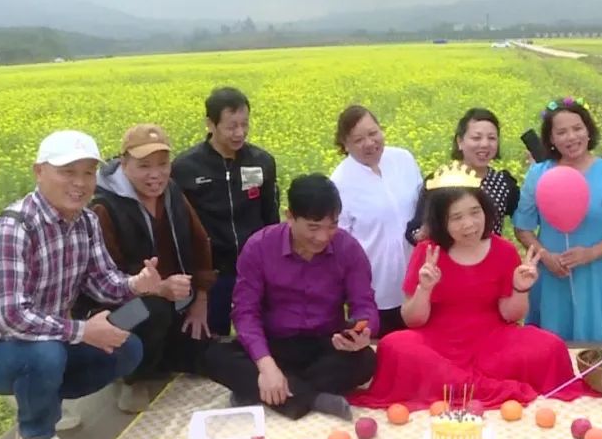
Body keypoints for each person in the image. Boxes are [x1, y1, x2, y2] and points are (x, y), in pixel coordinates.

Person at [0, 130, 167, 439]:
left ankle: (44, 396)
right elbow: (12, 316)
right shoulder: (13, 229)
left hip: (52, 339)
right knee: (45, 353)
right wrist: (83, 331)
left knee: (127, 348)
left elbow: (102, 281)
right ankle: (34, 434)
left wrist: (136, 284)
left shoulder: (86, 221)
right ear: (39, 172)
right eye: (67, 172)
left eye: (88, 172)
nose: (80, 183)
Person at [349, 165, 600, 411]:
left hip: (493, 342)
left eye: (474, 212)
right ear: (441, 222)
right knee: (393, 346)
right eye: (456, 217)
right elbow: (413, 321)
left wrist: (520, 288)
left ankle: (454, 384)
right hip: (437, 343)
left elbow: (510, 315)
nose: (469, 224)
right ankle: (473, 385)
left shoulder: (504, 250)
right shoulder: (428, 251)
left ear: (486, 211)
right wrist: (424, 289)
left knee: (551, 346)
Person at [201, 174, 379, 420]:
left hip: (325, 343)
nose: (323, 237)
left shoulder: (348, 248)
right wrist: (266, 365)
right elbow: (245, 313)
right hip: (274, 344)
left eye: (332, 226)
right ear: (290, 216)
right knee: (214, 356)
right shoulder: (259, 247)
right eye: (313, 227)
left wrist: (362, 332)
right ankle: (313, 398)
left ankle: (262, 391)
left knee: (366, 360)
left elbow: (364, 304)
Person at [83, 124, 217, 413]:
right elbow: (106, 282)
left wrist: (201, 299)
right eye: (144, 166)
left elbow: (200, 242)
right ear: (124, 163)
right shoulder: (104, 207)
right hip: (119, 310)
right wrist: (156, 288)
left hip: (175, 298)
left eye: (162, 164)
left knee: (201, 346)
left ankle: (157, 359)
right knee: (152, 310)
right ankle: (131, 377)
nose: (155, 174)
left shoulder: (172, 192)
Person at [512, 97, 602, 343]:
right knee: (550, 348)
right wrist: (546, 256)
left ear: (588, 130)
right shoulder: (538, 174)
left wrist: (591, 253)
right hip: (551, 277)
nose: (571, 137)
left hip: (596, 277)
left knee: (597, 350)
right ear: (551, 139)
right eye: (561, 132)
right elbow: (523, 227)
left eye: (577, 128)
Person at [172, 87, 279, 338]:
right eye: (231, 127)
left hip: (254, 270)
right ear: (210, 124)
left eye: (244, 124)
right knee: (209, 340)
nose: (239, 133)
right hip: (212, 275)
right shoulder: (186, 167)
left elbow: (271, 218)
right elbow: (181, 229)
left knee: (262, 337)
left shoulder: (261, 161)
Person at [330, 104, 422, 338]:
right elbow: (339, 245)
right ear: (345, 144)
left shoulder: (403, 159)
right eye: (358, 140)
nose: (369, 143)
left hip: (419, 283)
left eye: (373, 133)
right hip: (375, 291)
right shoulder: (339, 182)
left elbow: (423, 207)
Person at [406, 108, 519, 245]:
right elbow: (415, 230)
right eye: (476, 138)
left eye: (492, 138)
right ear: (460, 141)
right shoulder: (440, 181)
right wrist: (423, 233)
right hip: (447, 257)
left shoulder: (503, 183)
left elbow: (525, 220)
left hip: (490, 257)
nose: (485, 144)